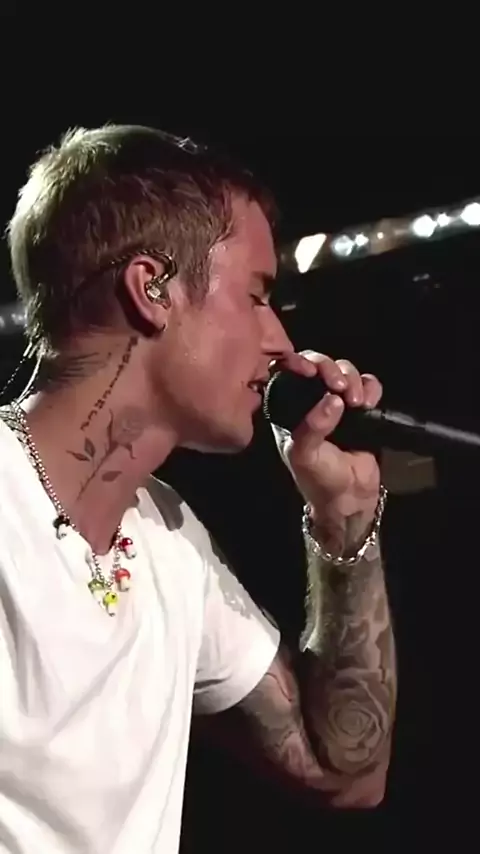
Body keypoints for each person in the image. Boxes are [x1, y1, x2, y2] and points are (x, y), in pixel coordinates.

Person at [0, 125, 396, 853]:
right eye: (256, 296)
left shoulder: (168, 538)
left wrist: (345, 517)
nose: (281, 343)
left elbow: (346, 770)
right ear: (151, 288)